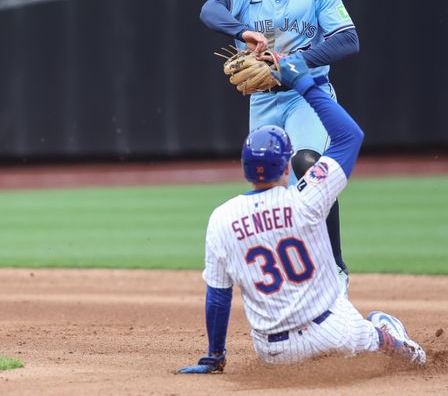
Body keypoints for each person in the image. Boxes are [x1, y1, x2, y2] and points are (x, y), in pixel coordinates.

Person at [177, 52, 426, 372]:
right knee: (371, 329)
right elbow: (350, 136)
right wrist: (305, 84)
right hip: (333, 332)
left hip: (273, 352)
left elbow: (218, 297)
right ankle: (394, 340)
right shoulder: (308, 198)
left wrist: (214, 357)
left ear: (245, 168)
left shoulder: (222, 218)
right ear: (286, 165)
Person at [200, 0, 358, 293]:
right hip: (264, 101)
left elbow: (347, 39)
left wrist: (294, 64)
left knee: (309, 166)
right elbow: (209, 10)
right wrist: (243, 30)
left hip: (306, 94)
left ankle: (335, 267)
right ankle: (291, 276)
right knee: (268, 191)